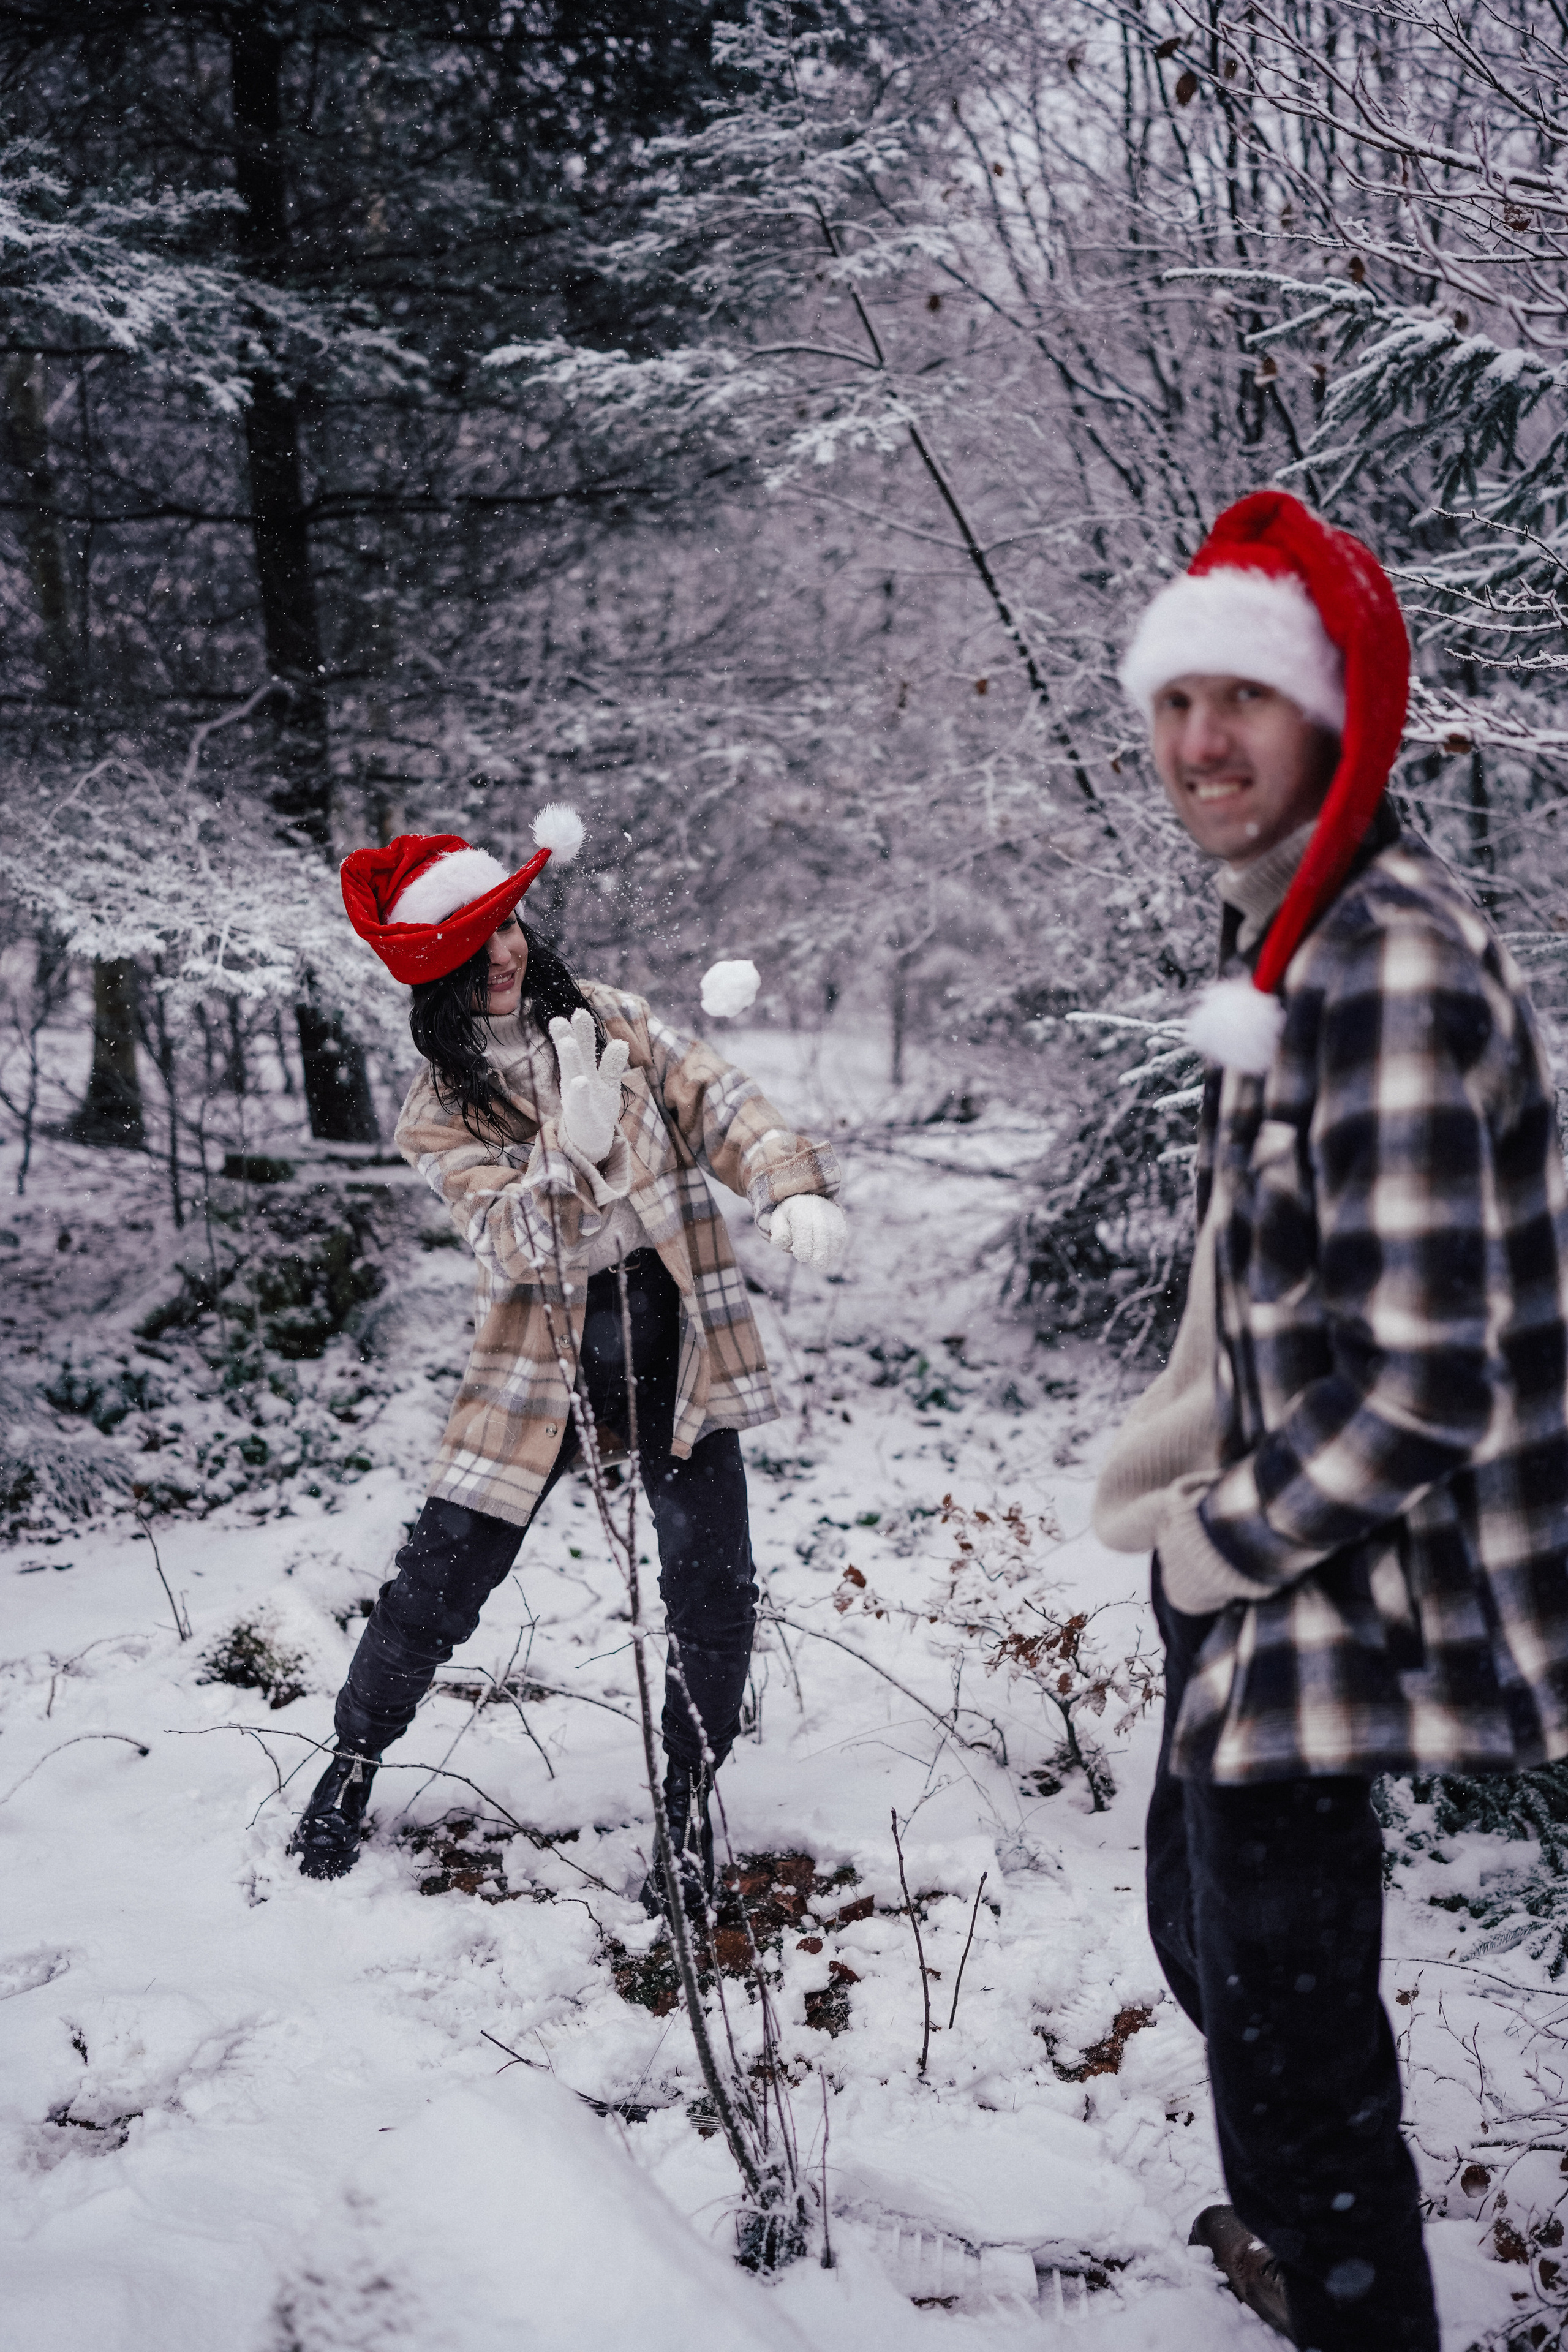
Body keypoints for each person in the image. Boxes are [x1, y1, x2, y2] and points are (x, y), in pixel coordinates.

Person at [1092, 491, 1568, 2350]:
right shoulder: (1305, 935)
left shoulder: (1383, 956)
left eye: (1245, 702)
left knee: (1291, 2028)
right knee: (1218, 1937)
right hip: (1260, 1535)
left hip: (1328, 1567)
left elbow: (1430, 1371)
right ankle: (1312, 2226)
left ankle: (1349, 2283)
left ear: (1331, 718)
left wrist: (1218, 1540)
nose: (1202, 744)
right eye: (1174, 701)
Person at [293, 809, 847, 1910]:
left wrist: (787, 1182)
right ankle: (353, 1761)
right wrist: (568, 1150)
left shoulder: (614, 1022)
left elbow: (721, 1102)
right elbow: (513, 1241)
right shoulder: (438, 1112)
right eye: (471, 947)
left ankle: (688, 1805)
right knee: (441, 1574)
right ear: (433, 981)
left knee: (712, 1581)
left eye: (506, 929)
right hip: (543, 1358)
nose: (501, 955)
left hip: (673, 1328)